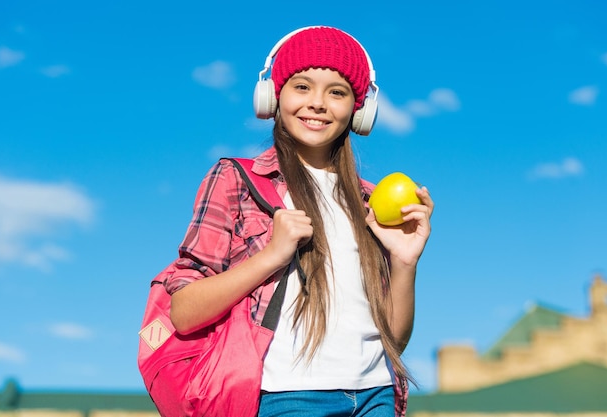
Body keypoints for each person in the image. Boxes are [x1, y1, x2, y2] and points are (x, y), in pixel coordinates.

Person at [164, 26, 433, 417]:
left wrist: (405, 263)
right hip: (286, 397)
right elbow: (184, 313)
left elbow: (395, 338)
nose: (318, 103)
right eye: (302, 87)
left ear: (359, 109)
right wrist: (272, 256)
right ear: (273, 96)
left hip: (376, 395)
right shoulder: (236, 180)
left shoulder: (371, 202)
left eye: (337, 92)